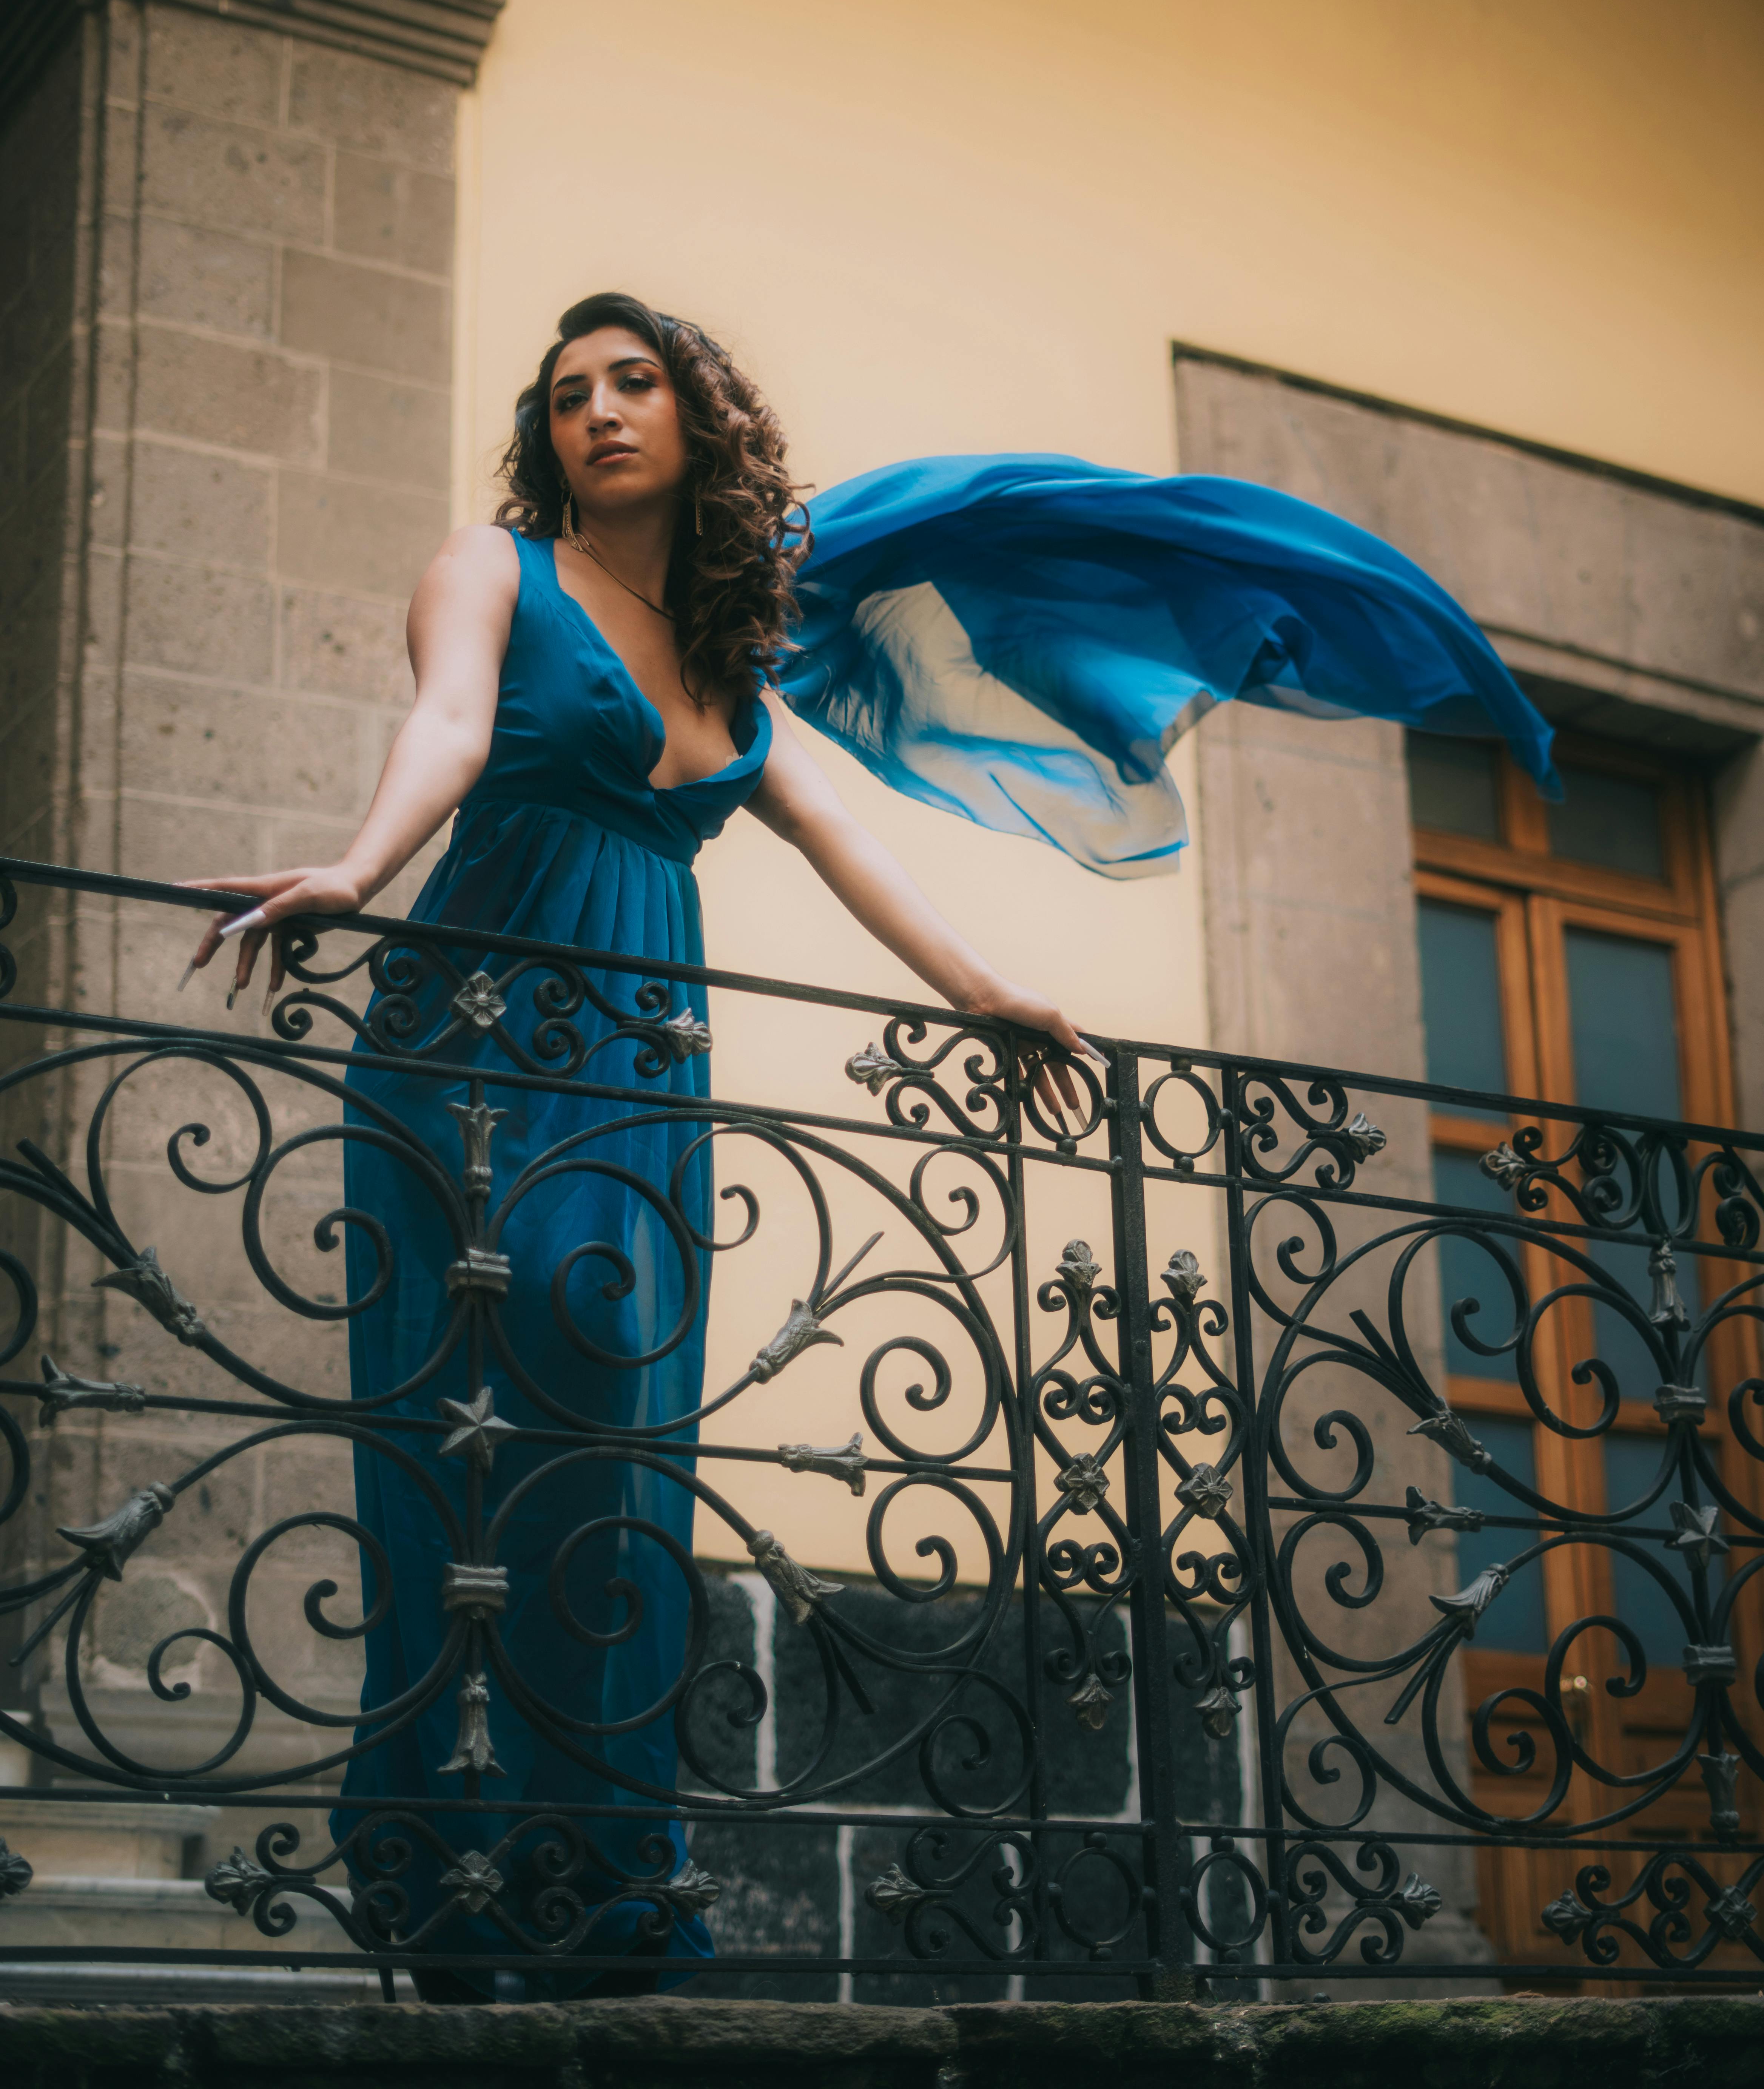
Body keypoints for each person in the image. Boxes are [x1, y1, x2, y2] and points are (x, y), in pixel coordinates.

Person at [180, 291, 1554, 1998]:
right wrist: (355, 871)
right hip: (468, 1032)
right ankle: (435, 1860)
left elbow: (848, 840)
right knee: (467, 1429)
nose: (597, 413)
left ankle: (587, 1872)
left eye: (635, 383)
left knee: (614, 1440)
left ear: (699, 422)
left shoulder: (735, 666)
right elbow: (452, 729)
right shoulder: (493, 570)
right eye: (565, 396)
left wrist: (995, 994)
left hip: (640, 1064)